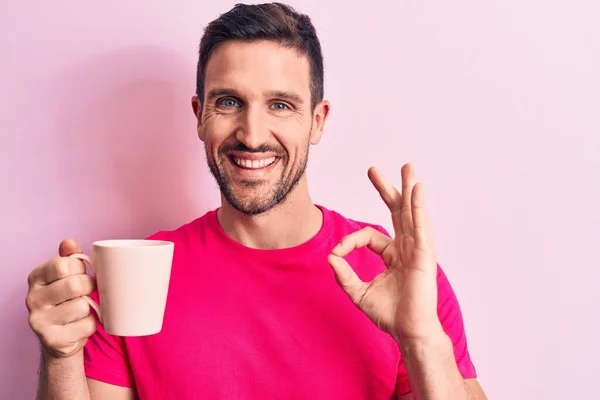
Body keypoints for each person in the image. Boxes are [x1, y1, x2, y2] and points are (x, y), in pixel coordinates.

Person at [26, 3, 487, 399]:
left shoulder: (396, 275)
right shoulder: (132, 279)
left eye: (280, 105)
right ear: (199, 116)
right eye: (228, 102)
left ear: (318, 121)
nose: (252, 134)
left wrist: (421, 337)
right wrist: (61, 355)